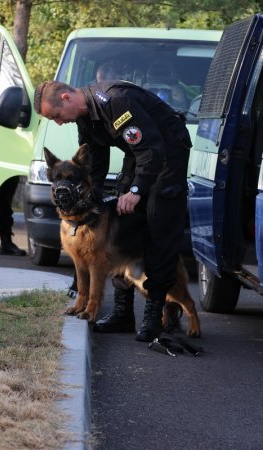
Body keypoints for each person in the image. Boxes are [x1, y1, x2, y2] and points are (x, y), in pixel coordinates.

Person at [33, 80, 192, 342]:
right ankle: (122, 314)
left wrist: (137, 191)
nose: (59, 122)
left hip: (167, 153)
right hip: (139, 155)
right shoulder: (84, 118)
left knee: (157, 223)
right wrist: (89, 199)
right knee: (120, 219)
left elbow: (151, 148)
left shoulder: (115, 102)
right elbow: (94, 165)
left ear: (66, 97)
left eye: (56, 115)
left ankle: (155, 315)